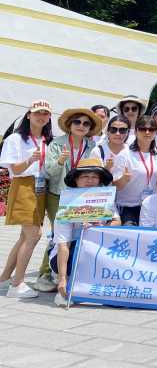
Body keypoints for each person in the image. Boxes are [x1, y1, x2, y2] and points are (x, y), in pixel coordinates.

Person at [39, 107, 100, 291]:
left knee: (76, 232)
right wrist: (60, 162)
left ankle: (67, 273)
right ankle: (45, 274)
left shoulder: (91, 146)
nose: (81, 126)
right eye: (77, 122)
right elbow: (48, 171)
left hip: (81, 195)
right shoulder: (57, 144)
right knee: (56, 234)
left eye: (86, 123)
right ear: (69, 124)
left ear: (89, 128)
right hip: (58, 194)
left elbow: (96, 170)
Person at [0, 100, 53, 299]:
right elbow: (14, 169)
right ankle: (17, 284)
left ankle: (5, 277)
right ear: (29, 115)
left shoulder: (47, 140)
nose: (41, 116)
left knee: (25, 236)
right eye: (37, 112)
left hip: (41, 188)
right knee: (34, 235)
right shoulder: (16, 139)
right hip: (23, 185)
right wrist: (31, 159)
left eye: (45, 113)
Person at [50, 157, 120, 305]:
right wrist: (62, 278)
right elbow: (64, 244)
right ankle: (65, 285)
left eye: (94, 177)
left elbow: (117, 221)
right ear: (76, 180)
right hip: (69, 252)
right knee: (78, 250)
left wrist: (100, 229)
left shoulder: (105, 198)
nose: (90, 180)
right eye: (85, 176)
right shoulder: (67, 204)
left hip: (97, 247)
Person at [113, 115, 157, 226]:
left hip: (152, 205)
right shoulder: (125, 154)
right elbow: (115, 186)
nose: (147, 132)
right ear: (136, 132)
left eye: (151, 129)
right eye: (142, 129)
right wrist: (124, 179)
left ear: (156, 133)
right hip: (129, 207)